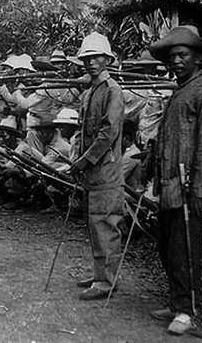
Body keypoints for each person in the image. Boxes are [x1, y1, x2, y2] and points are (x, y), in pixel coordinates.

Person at [147, 26, 202, 335]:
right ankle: (176, 300)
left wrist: (201, 189)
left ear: (198, 58)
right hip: (169, 183)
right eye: (172, 56)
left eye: (183, 55)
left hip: (190, 185)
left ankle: (186, 311)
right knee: (167, 246)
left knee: (185, 248)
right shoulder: (180, 90)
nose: (176, 61)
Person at [71, 32, 125, 301]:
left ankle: (107, 281)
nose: (91, 62)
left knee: (106, 224)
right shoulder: (89, 92)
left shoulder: (113, 91)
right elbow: (83, 133)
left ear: (107, 60)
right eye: (87, 58)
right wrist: (77, 158)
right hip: (91, 170)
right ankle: (99, 275)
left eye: (97, 57)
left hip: (105, 169)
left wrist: (85, 160)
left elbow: (108, 133)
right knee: (94, 224)